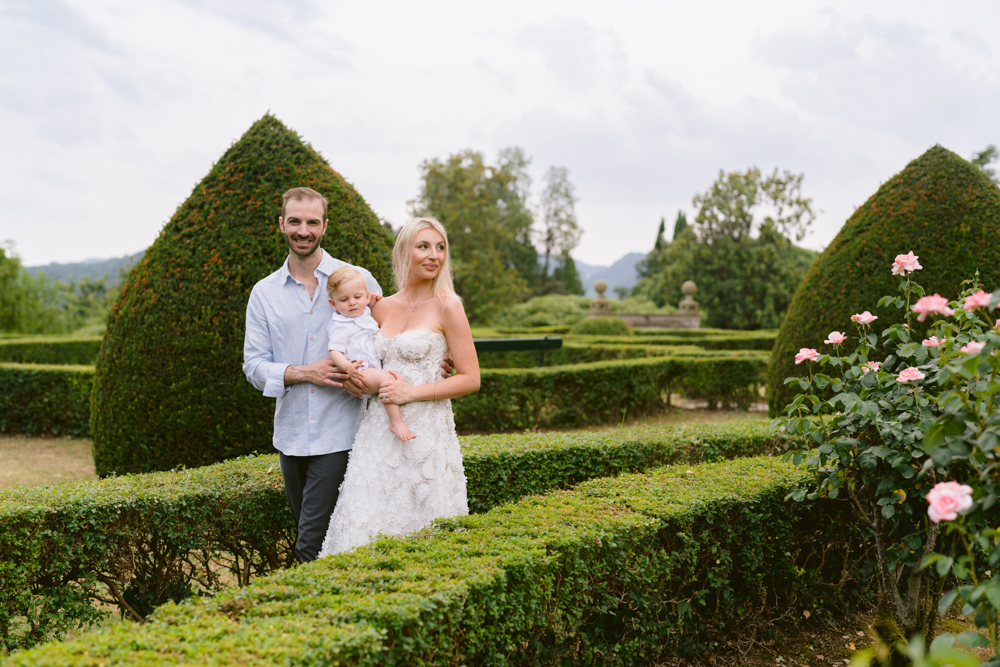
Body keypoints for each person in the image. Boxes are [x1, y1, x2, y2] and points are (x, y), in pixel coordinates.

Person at [319, 216, 480, 556]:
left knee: (429, 533)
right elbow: (357, 352)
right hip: (378, 433)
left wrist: (412, 391)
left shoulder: (449, 305)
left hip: (428, 433)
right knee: (367, 521)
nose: (433, 255)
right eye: (423, 246)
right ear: (404, 251)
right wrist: (353, 380)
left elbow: (471, 378)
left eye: (440, 247)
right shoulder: (379, 308)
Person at [241, 186, 384, 563]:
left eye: (312, 222)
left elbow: (390, 339)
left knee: (308, 546)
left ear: (324, 226)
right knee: (317, 538)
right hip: (289, 436)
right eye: (295, 221)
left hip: (343, 431)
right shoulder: (263, 293)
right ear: (281, 224)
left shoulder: (358, 280)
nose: (303, 230)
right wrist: (304, 371)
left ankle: (297, 619)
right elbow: (253, 365)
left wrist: (435, 360)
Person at [325, 265, 416, 442]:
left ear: (366, 296)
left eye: (357, 297)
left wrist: (377, 301)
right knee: (388, 381)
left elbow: (378, 319)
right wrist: (347, 368)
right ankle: (396, 422)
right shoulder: (340, 325)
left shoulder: (365, 312)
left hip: (373, 367)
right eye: (344, 299)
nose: (352, 302)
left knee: (396, 377)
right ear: (333, 304)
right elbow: (334, 351)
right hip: (361, 372)